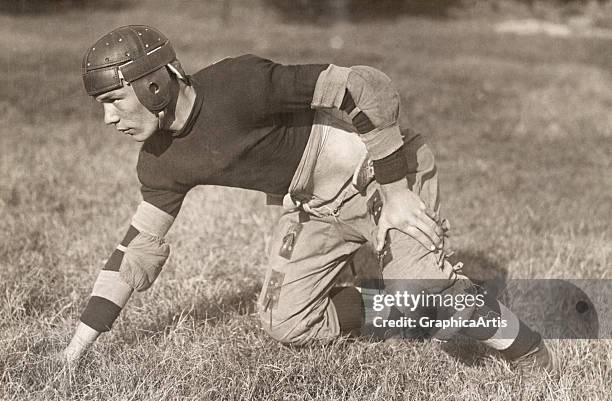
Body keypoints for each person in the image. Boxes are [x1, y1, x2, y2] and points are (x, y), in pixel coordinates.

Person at [64, 25, 555, 374]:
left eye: (113, 101)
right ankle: (392, 304)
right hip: (316, 206)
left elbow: (367, 86)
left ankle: (528, 349)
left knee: (422, 284)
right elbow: (136, 249)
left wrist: (397, 190)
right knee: (286, 322)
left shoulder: (240, 84)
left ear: (153, 84)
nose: (109, 119)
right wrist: (77, 347)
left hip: (378, 176)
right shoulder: (159, 161)